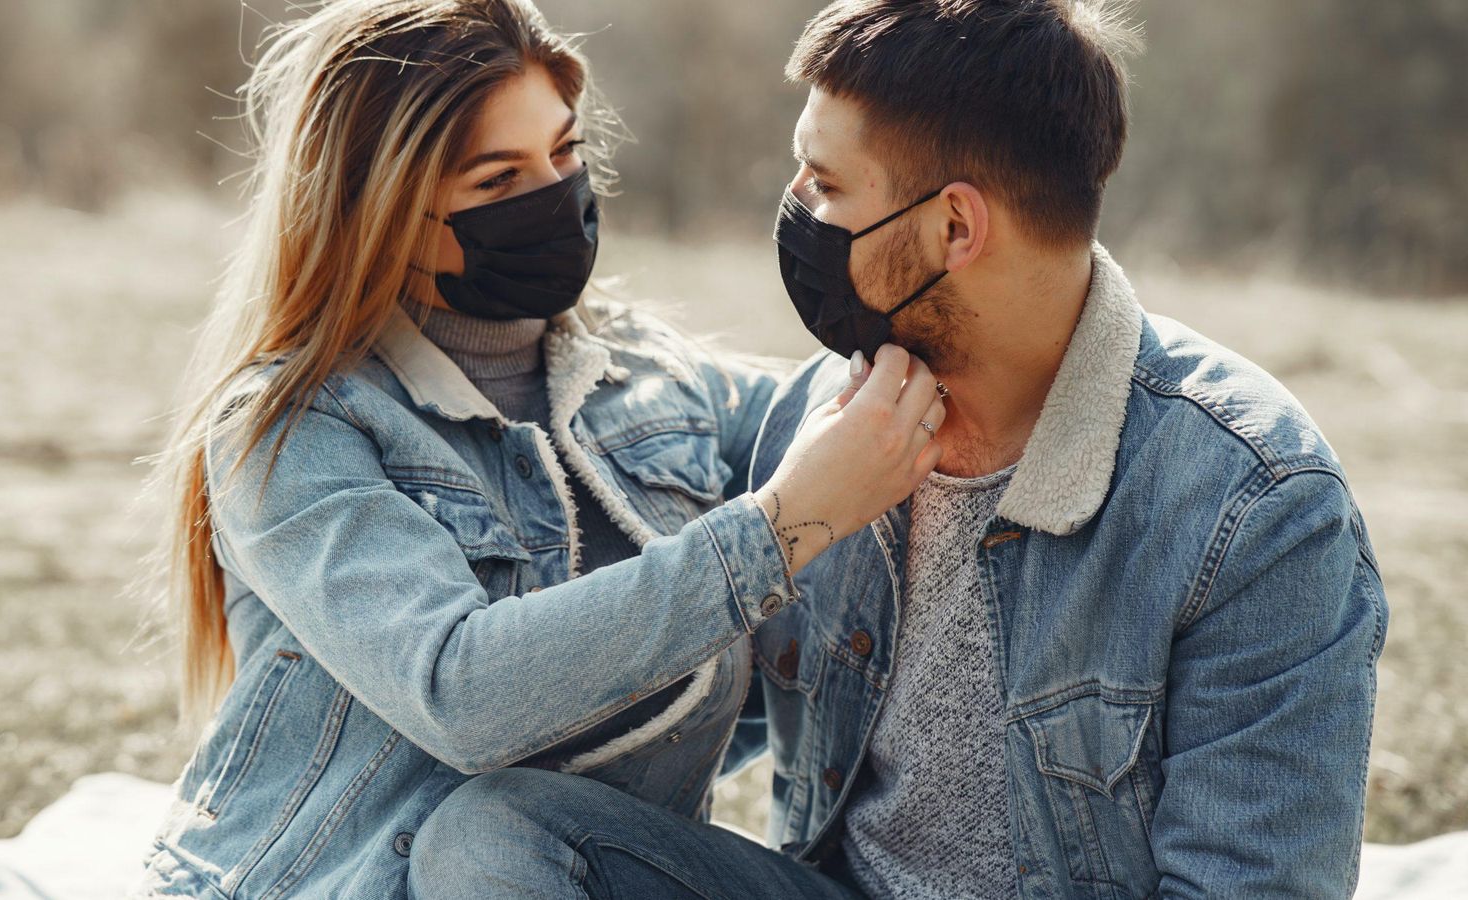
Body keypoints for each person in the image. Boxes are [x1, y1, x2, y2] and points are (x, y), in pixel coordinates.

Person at [406, 1, 1391, 898]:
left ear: (955, 225)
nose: (790, 201)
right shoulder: (821, 426)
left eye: (824, 183)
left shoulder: (1253, 506)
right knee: (497, 834)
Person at [128, 0, 948, 896]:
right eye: (496, 181)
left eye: (565, 153)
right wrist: (778, 530)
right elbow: (461, 693)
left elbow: (834, 412)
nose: (552, 196)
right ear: (385, 210)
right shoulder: (294, 429)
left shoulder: (651, 377)